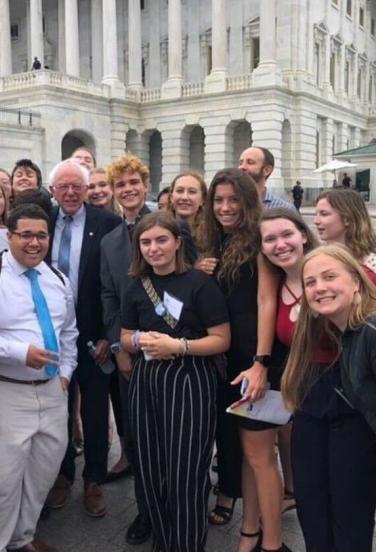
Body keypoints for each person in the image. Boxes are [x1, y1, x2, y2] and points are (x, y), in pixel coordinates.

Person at [0, 204, 78, 552]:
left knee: (41, 473)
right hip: (1, 392)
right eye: (25, 235)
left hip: (52, 391)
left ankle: (21, 539)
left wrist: (66, 375)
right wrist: (20, 353)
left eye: (41, 235)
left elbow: (69, 331)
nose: (34, 242)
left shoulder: (56, 278)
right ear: (8, 237)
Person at [120, 211, 230, 551]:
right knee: (150, 467)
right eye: (146, 242)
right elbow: (124, 336)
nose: (154, 248)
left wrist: (178, 345)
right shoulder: (136, 285)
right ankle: (163, 541)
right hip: (147, 379)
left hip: (191, 379)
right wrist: (141, 341)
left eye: (161, 240)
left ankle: (186, 544)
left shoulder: (200, 284)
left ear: (178, 242)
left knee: (186, 471)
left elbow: (221, 339)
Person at [100, 154, 195, 545]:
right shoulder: (109, 240)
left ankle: (180, 506)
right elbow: (108, 294)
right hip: (133, 350)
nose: (127, 190)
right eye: (120, 185)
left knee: (178, 438)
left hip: (179, 349)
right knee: (140, 438)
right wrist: (120, 347)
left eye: (133, 182)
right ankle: (147, 509)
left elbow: (194, 282)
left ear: (145, 183)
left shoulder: (176, 227)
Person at [198, 168, 282, 552]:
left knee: (260, 457)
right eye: (219, 200)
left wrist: (262, 361)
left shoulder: (258, 240)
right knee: (248, 454)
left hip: (256, 360)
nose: (225, 207)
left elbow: (266, 300)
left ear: (248, 201)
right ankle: (250, 531)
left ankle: (272, 542)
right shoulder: (215, 242)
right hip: (229, 362)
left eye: (233, 200)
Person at [282, 244, 376, 552]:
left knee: (349, 521)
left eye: (329, 277)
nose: (319, 287)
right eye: (310, 282)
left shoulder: (370, 330)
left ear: (356, 281)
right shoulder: (336, 328)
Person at [44, 160, 121, 517]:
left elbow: (117, 284)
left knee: (93, 409)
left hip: (93, 337)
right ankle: (62, 475)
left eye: (78, 186)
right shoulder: (41, 220)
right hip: (51, 335)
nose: (71, 192)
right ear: (53, 191)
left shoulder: (108, 224)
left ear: (88, 190)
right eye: (64, 187)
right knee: (58, 407)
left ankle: (94, 479)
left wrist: (110, 333)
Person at [259, 208, 319, 519]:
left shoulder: (326, 274)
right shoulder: (279, 284)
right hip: (306, 403)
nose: (279, 244)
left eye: (287, 235)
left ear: (304, 235)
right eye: (269, 239)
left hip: (344, 401)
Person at [314, 188, 376, 284]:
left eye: (324, 214)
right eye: (316, 214)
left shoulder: (372, 265)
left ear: (347, 219)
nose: (316, 221)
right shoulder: (317, 258)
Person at [170, 171, 207, 240]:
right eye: (179, 191)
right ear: (171, 197)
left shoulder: (212, 235)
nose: (185, 197)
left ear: (202, 199)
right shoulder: (157, 229)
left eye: (192, 192)